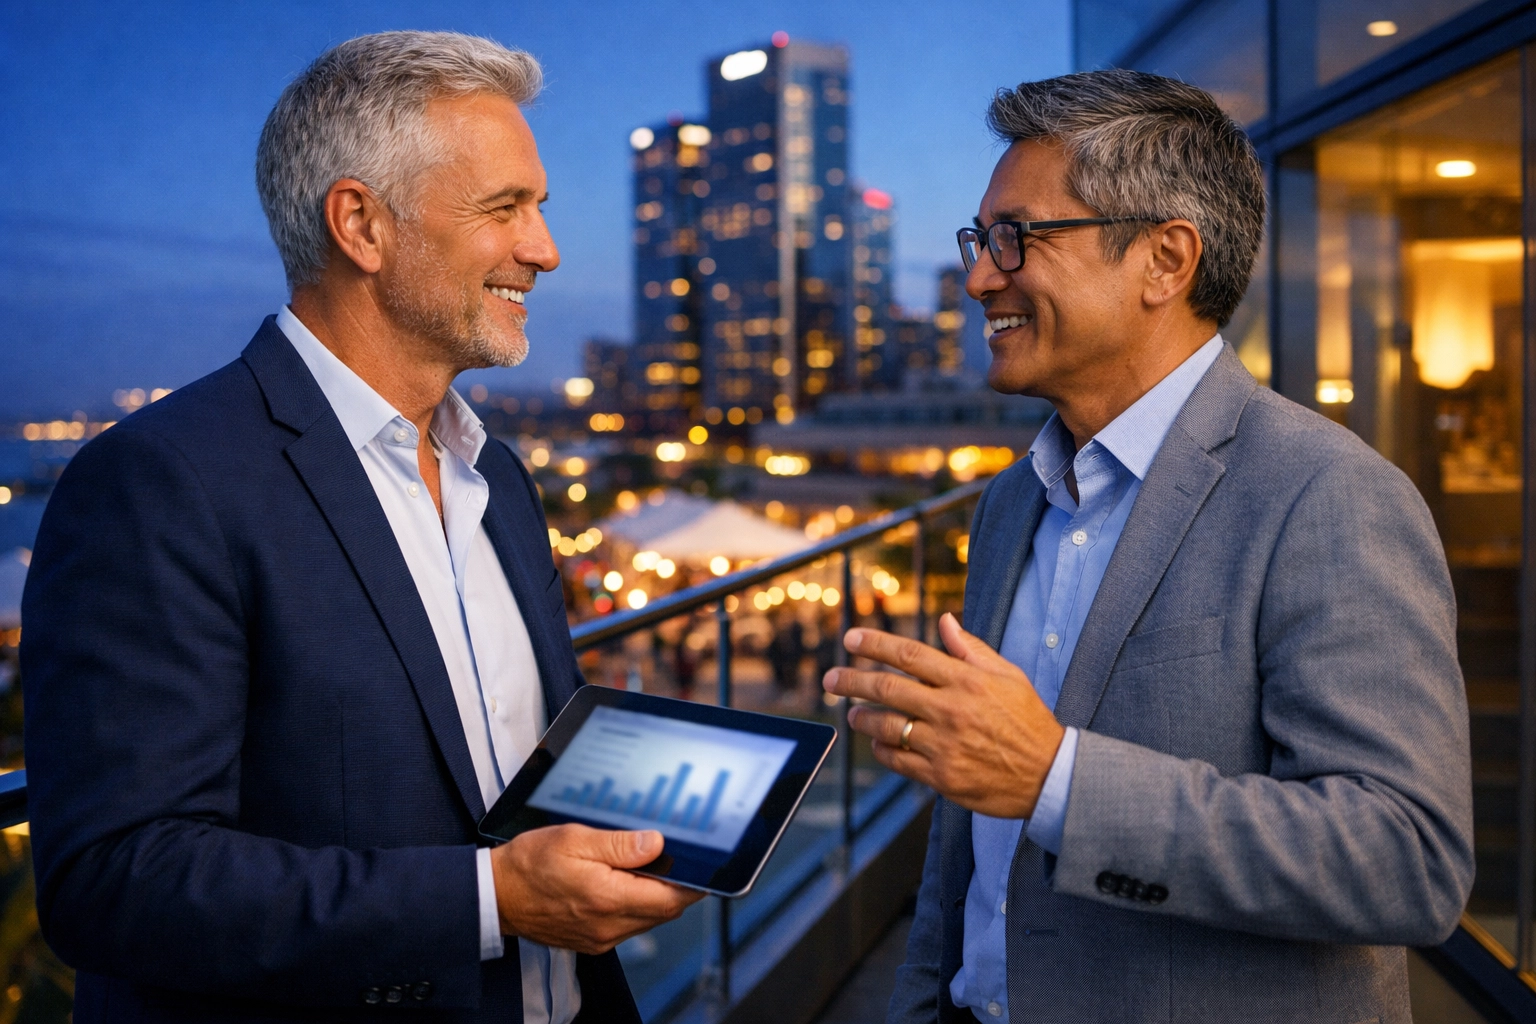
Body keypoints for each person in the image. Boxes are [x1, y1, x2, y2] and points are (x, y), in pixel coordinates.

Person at [21, 31, 699, 1023]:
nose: (544, 250)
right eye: (504, 208)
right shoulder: (156, 483)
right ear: (361, 225)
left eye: (539, 208)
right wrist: (492, 897)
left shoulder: (499, 479)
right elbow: (116, 879)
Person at [823, 69, 1474, 1024]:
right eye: (979, 238)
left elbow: (1405, 859)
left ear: (1165, 261)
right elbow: (969, 850)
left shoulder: (1328, 494)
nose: (978, 276)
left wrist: (1056, 779)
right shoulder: (1013, 502)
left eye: (1018, 237)